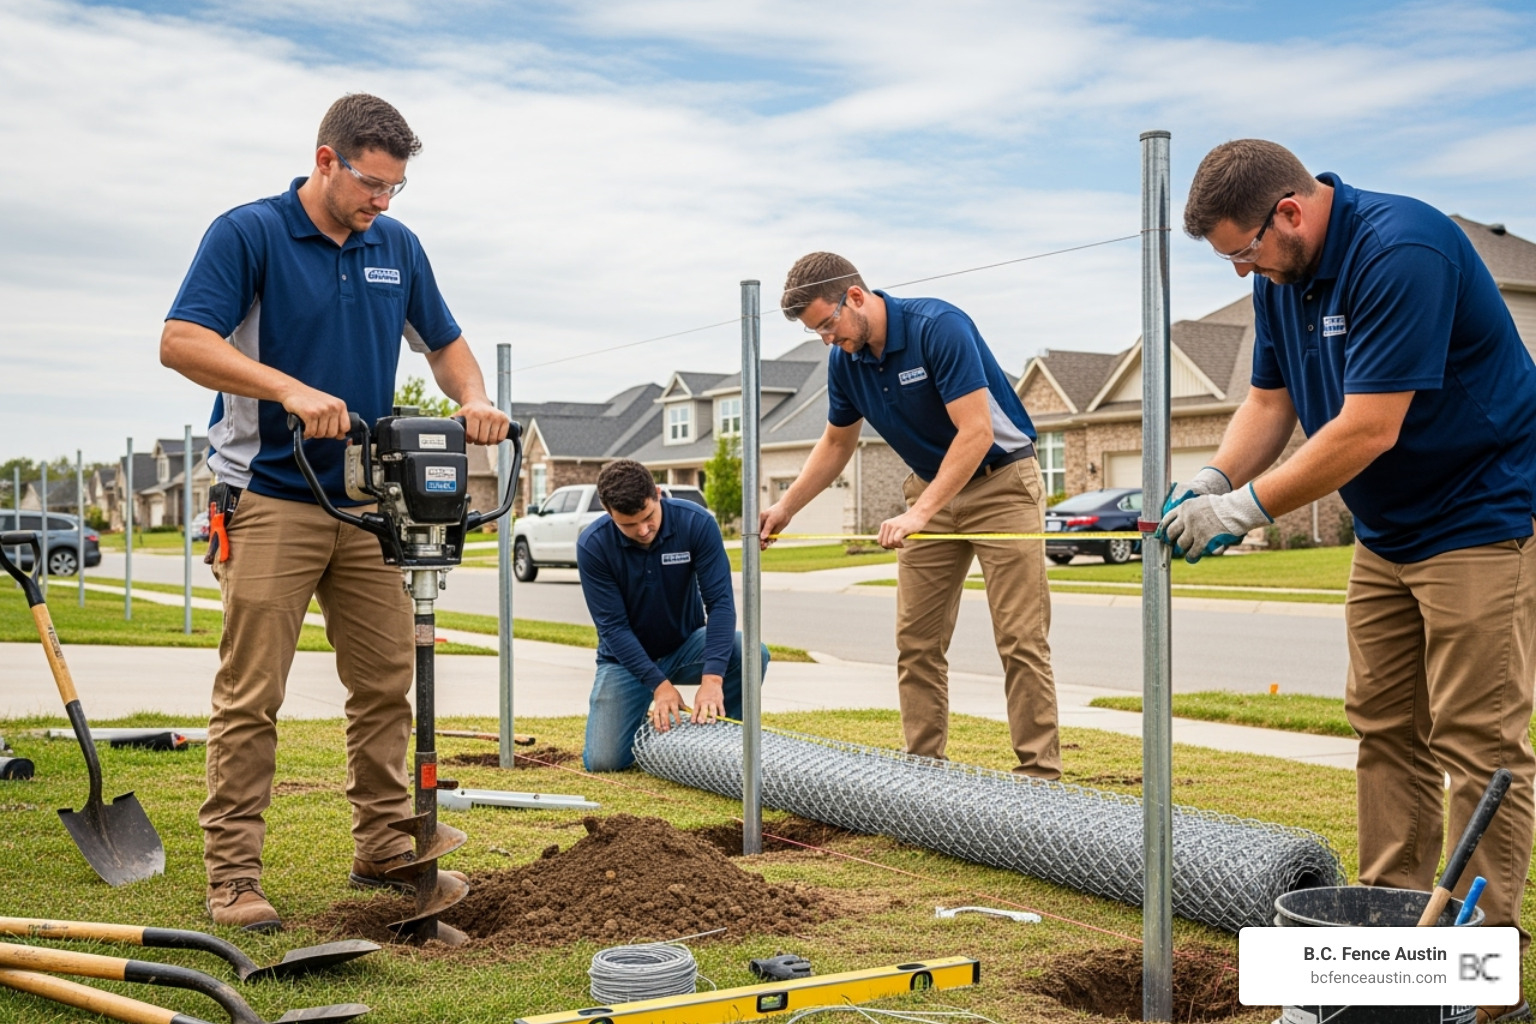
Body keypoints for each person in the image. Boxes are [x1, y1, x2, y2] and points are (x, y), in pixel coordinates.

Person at [1162, 139, 1536, 1024]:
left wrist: (1244, 510)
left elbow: (1367, 428)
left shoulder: (1402, 248)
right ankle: (1391, 931)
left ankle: (1483, 974)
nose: (1242, 267)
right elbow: (1269, 401)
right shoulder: (1279, 277)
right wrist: (1215, 480)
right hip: (1387, 528)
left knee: (1477, 738)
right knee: (1383, 724)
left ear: (1290, 212)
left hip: (1479, 513)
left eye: (1243, 250)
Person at [160, 93, 510, 931]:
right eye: (371, 184)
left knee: (387, 683)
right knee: (253, 693)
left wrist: (476, 399)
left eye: (394, 189)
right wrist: (287, 387)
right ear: (327, 161)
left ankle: (387, 846)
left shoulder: (397, 245)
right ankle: (234, 876)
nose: (381, 202)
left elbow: (445, 340)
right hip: (270, 494)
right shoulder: (248, 233)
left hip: (366, 503)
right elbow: (181, 340)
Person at [764, 252, 1059, 778]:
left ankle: (1039, 776)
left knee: (1020, 638)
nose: (828, 339)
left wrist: (920, 513)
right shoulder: (845, 361)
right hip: (931, 492)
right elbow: (836, 442)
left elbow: (977, 433)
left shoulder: (939, 327)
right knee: (916, 643)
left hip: (1001, 485)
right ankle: (925, 773)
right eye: (817, 333)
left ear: (855, 297)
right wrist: (786, 507)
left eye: (828, 324)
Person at [578, 459, 770, 771]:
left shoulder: (696, 523)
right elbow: (613, 628)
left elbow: (720, 604)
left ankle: (725, 741)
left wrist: (712, 678)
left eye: (648, 517)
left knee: (750, 652)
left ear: (657, 493)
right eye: (628, 525)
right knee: (604, 761)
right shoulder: (594, 545)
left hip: (686, 645)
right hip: (623, 661)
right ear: (608, 511)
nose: (642, 530)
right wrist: (659, 686)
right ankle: (651, 729)